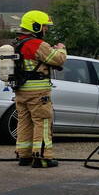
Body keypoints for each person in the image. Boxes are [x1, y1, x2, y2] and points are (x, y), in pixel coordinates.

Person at [12, 10, 67, 168]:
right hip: (38, 93)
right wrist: (61, 49)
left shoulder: (17, 44)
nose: (46, 30)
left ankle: (24, 155)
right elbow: (58, 59)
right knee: (42, 123)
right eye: (44, 26)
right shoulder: (36, 44)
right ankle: (42, 158)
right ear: (35, 26)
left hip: (20, 91)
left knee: (24, 122)